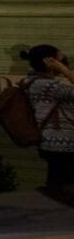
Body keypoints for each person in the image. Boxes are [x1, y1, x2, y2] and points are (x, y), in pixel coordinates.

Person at [19, 44, 74, 189]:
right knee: (61, 187)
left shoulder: (36, 82)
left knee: (58, 183)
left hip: (55, 143)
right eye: (60, 60)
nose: (65, 62)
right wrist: (64, 71)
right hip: (60, 144)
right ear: (49, 62)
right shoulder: (46, 85)